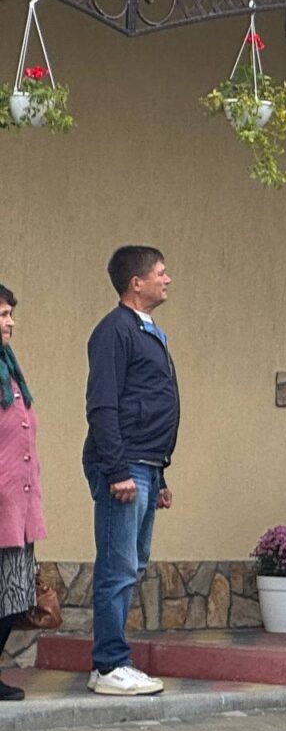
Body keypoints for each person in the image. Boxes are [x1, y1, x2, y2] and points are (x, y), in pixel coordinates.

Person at [83, 245, 179, 696]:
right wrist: (118, 469)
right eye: (161, 273)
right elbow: (102, 406)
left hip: (146, 465)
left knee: (132, 564)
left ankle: (113, 661)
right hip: (124, 467)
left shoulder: (148, 331)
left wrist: (159, 475)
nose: (167, 279)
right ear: (136, 283)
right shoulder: (114, 331)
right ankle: (109, 665)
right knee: (118, 566)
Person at [0, 283, 43, 701]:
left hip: (17, 503)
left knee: (13, 595)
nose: (10, 322)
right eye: (2, 314)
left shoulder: (9, 368)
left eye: (10, 313)